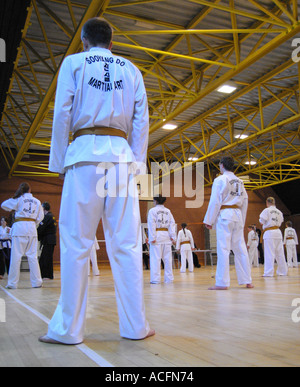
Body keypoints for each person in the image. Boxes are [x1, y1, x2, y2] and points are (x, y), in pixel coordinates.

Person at [39, 18, 154, 345]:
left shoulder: (74, 63)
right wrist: (137, 162)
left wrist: (59, 161)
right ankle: (136, 326)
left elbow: (62, 111)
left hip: (84, 155)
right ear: (112, 42)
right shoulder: (131, 69)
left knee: (76, 244)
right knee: (127, 244)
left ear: (84, 41)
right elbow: (142, 119)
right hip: (120, 157)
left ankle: (68, 330)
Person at [203, 156, 253, 290]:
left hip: (225, 215)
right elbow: (245, 201)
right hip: (237, 215)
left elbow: (215, 201)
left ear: (222, 165)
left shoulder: (220, 179)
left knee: (223, 248)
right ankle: (247, 280)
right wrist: (242, 218)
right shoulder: (240, 182)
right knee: (240, 248)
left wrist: (209, 220)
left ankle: (222, 283)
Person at [1, 183, 44, 289]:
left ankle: (12, 283)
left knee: (16, 257)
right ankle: (37, 282)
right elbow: (41, 217)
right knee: (33, 257)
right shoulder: (37, 201)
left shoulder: (19, 199)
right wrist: (33, 222)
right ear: (30, 190)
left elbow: (4, 205)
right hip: (32, 229)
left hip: (19, 228)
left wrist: (15, 198)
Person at [147, 195, 176, 284]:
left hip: (157, 235)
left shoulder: (152, 211)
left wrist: (152, 237)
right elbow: (172, 224)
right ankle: (169, 278)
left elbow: (152, 224)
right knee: (167, 259)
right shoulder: (168, 211)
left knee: (156, 258)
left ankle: (155, 279)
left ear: (155, 201)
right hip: (166, 236)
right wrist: (173, 237)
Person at [259, 197, 288, 277]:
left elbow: (262, 221)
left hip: (269, 233)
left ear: (267, 203)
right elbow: (281, 221)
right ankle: (283, 271)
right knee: (280, 253)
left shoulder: (266, 210)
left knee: (269, 253)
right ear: (274, 202)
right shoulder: (279, 211)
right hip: (278, 232)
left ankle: (268, 272)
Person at [37, 202, 57, 280]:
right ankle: (48, 275)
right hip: (50, 240)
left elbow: (41, 228)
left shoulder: (47, 217)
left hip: (48, 240)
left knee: (45, 258)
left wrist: (35, 234)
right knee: (47, 257)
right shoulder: (51, 216)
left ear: (44, 209)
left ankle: (46, 275)